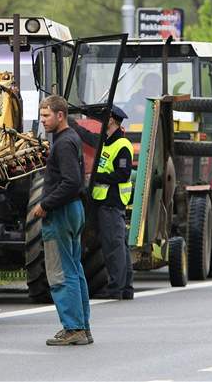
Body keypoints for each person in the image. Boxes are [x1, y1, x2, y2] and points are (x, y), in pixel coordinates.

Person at [31, 95, 91, 346]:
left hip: (62, 212)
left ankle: (73, 327)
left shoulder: (64, 143)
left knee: (61, 272)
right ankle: (82, 326)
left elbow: (71, 182)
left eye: (46, 116)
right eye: (41, 115)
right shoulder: (69, 139)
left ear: (60, 115)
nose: (42, 120)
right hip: (74, 210)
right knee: (75, 270)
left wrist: (45, 204)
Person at [71, 106, 134, 300]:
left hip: (112, 201)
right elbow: (89, 137)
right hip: (103, 201)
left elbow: (122, 174)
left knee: (113, 246)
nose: (101, 122)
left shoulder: (122, 145)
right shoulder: (106, 142)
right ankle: (126, 288)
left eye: (105, 119)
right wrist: (73, 125)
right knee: (119, 244)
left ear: (113, 121)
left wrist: (97, 176)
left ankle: (116, 288)